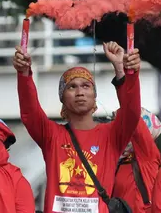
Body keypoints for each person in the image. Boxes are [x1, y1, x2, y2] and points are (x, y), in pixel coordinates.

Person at [13, 41, 141, 213]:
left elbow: (131, 112)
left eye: (86, 86)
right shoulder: (51, 135)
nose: (80, 92)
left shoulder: (111, 135)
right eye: (72, 87)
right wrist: (24, 73)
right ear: (63, 98)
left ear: (94, 96)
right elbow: (30, 112)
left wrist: (122, 70)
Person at [112, 107, 161, 213]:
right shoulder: (117, 160)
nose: (115, 130)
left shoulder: (148, 156)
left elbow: (137, 124)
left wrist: (126, 107)